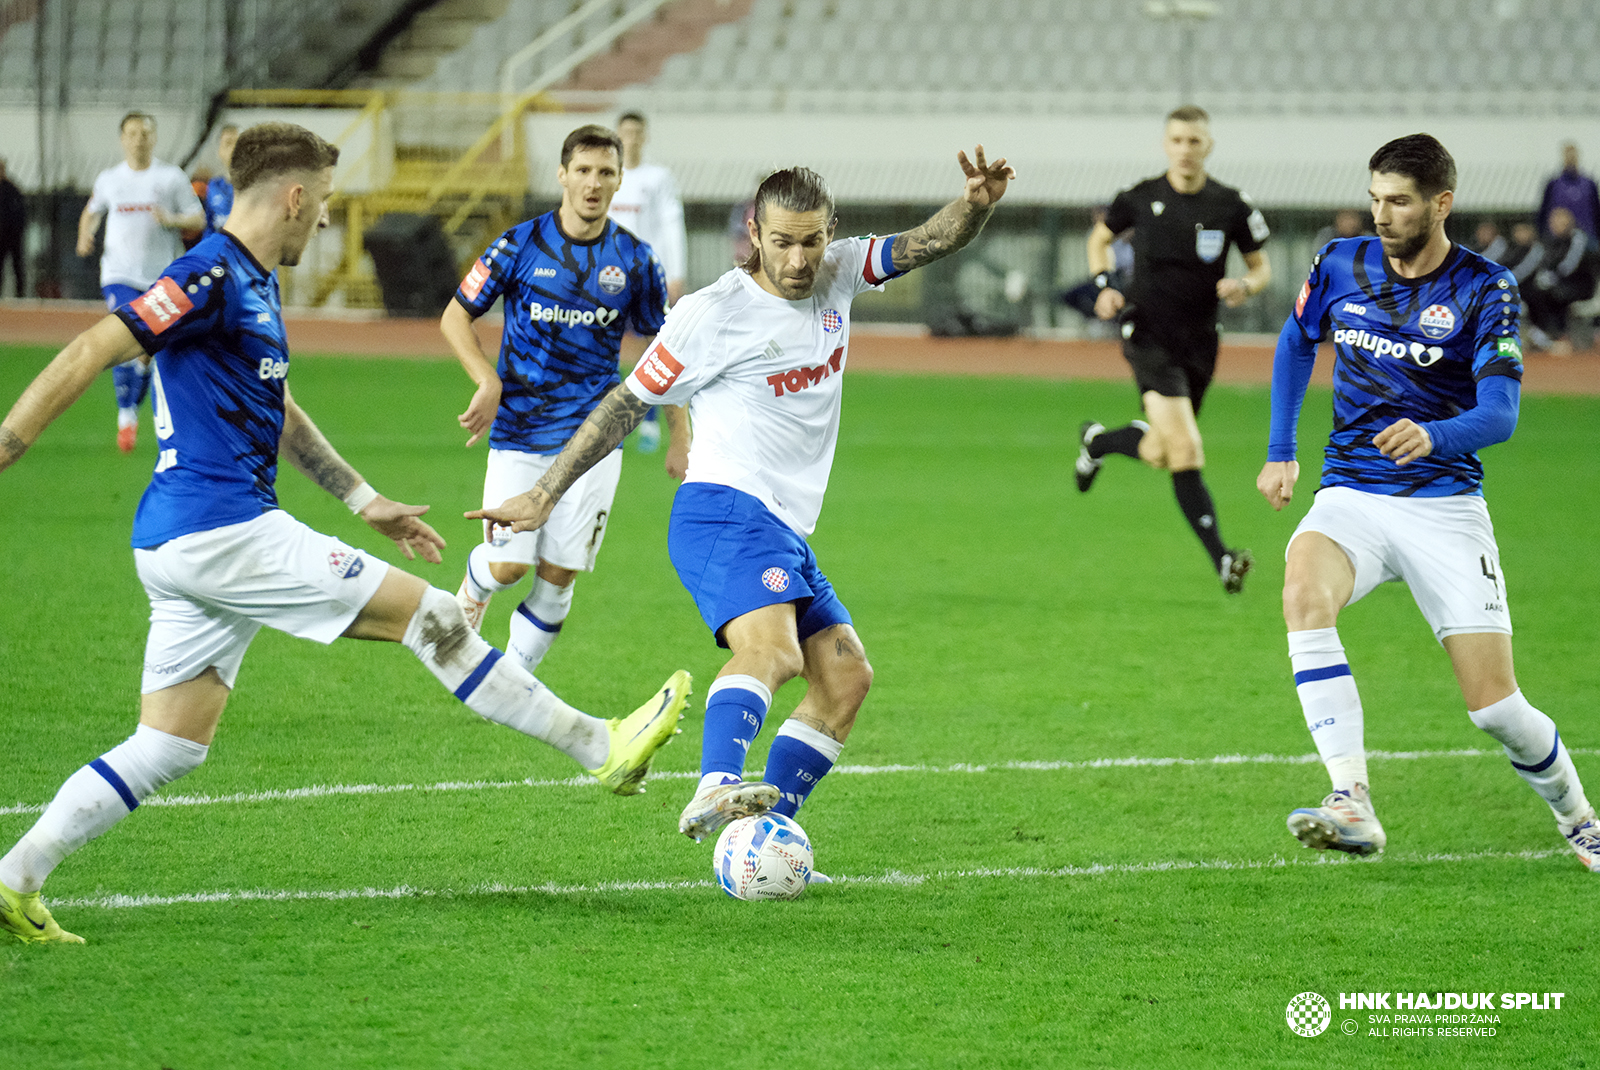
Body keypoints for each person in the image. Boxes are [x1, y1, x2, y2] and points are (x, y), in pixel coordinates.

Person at [0, 122, 691, 946]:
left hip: (185, 544)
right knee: (433, 618)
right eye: (323, 204)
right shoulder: (208, 274)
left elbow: (278, 410)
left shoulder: (250, 284)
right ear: (293, 198)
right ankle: (600, 746)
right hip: (222, 531)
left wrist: (364, 499)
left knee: (170, 744)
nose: (327, 221)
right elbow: (90, 346)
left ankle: (14, 879)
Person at [469, 147, 1015, 847]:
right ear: (754, 233)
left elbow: (925, 243)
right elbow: (626, 402)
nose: (797, 260)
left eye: (811, 241)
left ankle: (761, 843)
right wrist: (543, 494)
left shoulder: (841, 271)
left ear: (831, 231)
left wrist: (976, 203)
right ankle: (714, 786)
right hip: (724, 510)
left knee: (846, 680)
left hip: (782, 527)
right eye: (782, 242)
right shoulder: (711, 314)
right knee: (776, 653)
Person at [1257, 133, 1598, 871]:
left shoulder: (1485, 288)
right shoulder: (1339, 261)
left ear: (1442, 203)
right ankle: (1351, 799)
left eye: (1399, 201)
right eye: (1376, 198)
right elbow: (1294, 341)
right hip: (1351, 490)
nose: (1382, 214)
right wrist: (1282, 449)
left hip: (1444, 507)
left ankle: (1579, 819)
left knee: (1497, 710)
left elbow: (1501, 413)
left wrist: (1436, 434)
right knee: (1301, 594)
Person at [444, 124, 674, 674]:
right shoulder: (519, 243)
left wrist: (680, 434)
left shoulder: (635, 261)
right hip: (521, 430)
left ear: (620, 181)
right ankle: (472, 593)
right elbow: (457, 316)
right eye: (584, 170)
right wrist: (487, 380)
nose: (594, 183)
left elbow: (666, 354)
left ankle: (509, 682)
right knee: (508, 567)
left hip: (594, 438)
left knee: (559, 574)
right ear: (563, 174)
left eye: (606, 173)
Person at [1074, 105, 1272, 594]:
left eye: (1195, 141)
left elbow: (1261, 267)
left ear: (1208, 146)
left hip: (1201, 342)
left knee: (1163, 451)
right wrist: (1104, 285)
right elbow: (1098, 240)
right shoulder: (1140, 198)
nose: (1186, 149)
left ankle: (1097, 442)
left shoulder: (1230, 204)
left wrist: (1246, 285)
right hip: (1147, 334)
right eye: (1178, 140)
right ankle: (1223, 558)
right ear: (1166, 144)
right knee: (1186, 449)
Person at [77, 112, 205, 453]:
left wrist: (172, 220)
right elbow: (92, 210)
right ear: (122, 139)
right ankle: (125, 418)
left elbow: (198, 217)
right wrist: (84, 235)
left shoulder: (171, 177)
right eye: (132, 133)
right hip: (118, 273)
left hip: (161, 275)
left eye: (145, 133)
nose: (139, 139)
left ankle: (133, 403)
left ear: (155, 138)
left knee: (149, 347)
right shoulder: (110, 178)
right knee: (124, 337)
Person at [607, 112, 689, 455]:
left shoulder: (658, 178)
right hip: (608, 277)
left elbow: (672, 224)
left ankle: (651, 423)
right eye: (625, 132)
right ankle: (609, 422)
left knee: (651, 351)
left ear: (645, 136)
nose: (631, 138)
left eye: (637, 132)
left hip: (645, 276)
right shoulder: (609, 177)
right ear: (618, 135)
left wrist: (676, 271)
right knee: (603, 349)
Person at [1522, 206, 1598, 355]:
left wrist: (1552, 277)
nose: (1555, 226)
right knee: (1532, 293)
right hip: (1561, 285)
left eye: (1560, 222)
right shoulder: (1552, 241)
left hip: (1580, 285)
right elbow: (1545, 263)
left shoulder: (1579, 239)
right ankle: (1544, 336)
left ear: (1569, 222)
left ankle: (1558, 335)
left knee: (1552, 295)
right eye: (1553, 223)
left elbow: (1570, 264)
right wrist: (1543, 277)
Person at [1537, 141, 1600, 242]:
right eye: (1568, 155)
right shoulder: (1553, 184)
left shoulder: (1589, 184)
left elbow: (1596, 211)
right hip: (1559, 240)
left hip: (1587, 238)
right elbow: (1543, 212)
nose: (1571, 158)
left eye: (1573, 155)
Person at [203, 124, 239, 237]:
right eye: (228, 143)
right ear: (219, 151)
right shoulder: (213, 186)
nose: (234, 149)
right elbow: (209, 227)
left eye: (238, 144)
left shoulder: (256, 186)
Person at [0, 158, 25, 298]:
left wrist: (18, 230)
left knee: (17, 265)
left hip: (13, 235)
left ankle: (20, 294)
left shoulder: (11, 189)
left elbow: (21, 212)